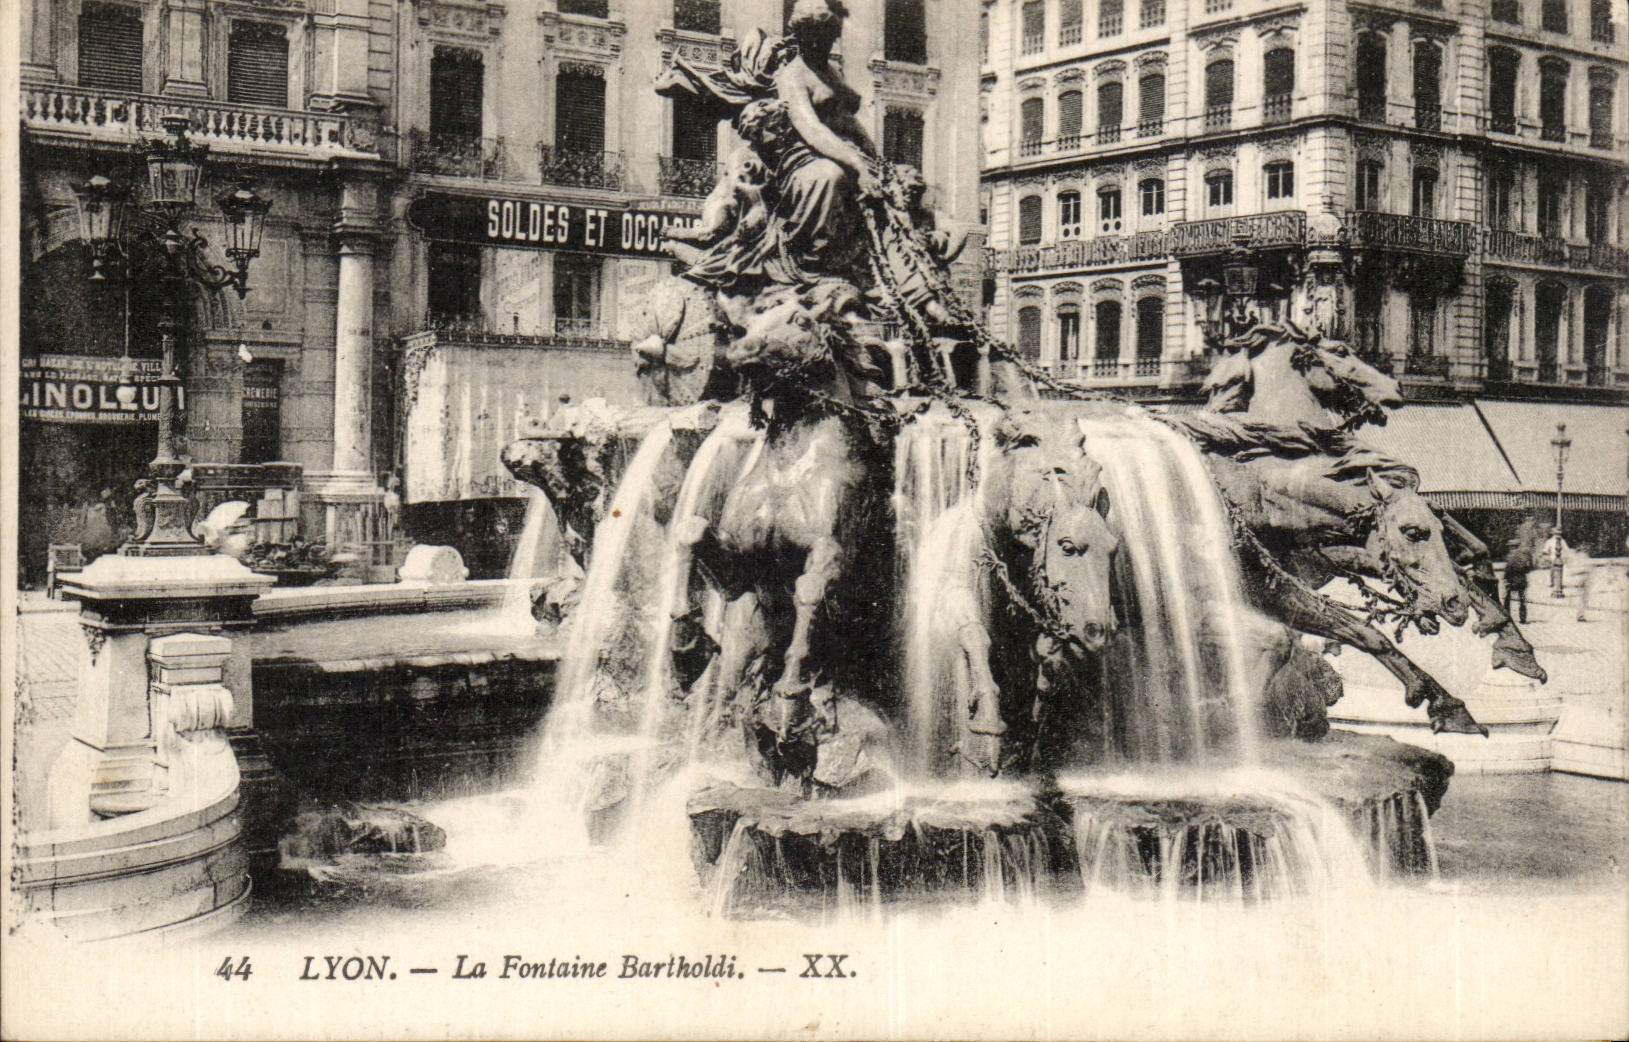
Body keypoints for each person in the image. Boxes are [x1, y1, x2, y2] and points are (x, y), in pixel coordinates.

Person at [1502, 536, 1531, 624]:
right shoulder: (1523, 556)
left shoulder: (1510, 556)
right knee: (1522, 599)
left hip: (1511, 580)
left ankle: (1507, 616)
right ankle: (1523, 618)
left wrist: (1505, 578)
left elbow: (1508, 568)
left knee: (1507, 599)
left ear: (1512, 547)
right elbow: (1528, 568)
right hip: (1522, 580)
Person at [1541, 525, 1570, 595]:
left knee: (1556, 571)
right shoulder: (1553, 541)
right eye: (1555, 533)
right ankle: (1554, 583)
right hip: (1554, 558)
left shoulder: (1559, 541)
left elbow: (1566, 549)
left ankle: (1556, 583)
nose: (1556, 535)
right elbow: (1546, 550)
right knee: (1554, 571)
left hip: (1557, 558)